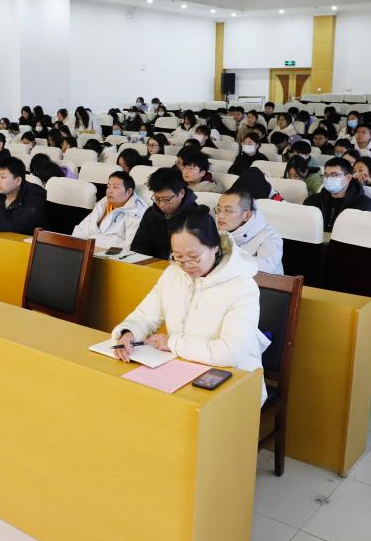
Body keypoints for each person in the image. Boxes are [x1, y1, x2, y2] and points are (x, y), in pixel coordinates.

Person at [112, 206, 270, 405]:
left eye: (194, 257)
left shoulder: (242, 286)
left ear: (215, 246)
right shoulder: (174, 273)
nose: (185, 266)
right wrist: (129, 333)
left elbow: (231, 352)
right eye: (178, 256)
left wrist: (173, 343)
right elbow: (145, 315)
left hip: (234, 380)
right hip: (183, 368)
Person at [130, 167, 199, 259]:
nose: (161, 204)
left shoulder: (198, 217)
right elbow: (138, 247)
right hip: (151, 264)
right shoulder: (151, 213)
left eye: (166, 199)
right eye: (157, 199)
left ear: (181, 193)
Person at [72, 171, 149, 249]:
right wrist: (76, 247)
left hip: (109, 254)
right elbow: (82, 229)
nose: (109, 191)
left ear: (129, 192)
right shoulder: (104, 203)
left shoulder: (137, 212)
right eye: (108, 187)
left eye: (115, 187)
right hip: (88, 250)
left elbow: (130, 245)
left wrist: (100, 252)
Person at [214, 189, 283, 275]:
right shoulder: (214, 228)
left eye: (228, 210)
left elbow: (265, 269)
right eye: (218, 209)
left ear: (246, 215)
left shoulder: (270, 236)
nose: (220, 216)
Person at [304, 157, 371, 232]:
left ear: (348, 178)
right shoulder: (312, 201)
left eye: (334, 175)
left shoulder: (366, 206)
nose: (329, 179)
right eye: (326, 175)